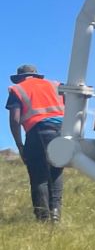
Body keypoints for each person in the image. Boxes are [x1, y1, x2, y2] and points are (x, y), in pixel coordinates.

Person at [7, 64, 65, 222]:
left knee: (39, 177)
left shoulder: (18, 89)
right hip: (61, 131)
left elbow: (14, 119)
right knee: (56, 171)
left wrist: (20, 145)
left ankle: (43, 219)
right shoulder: (55, 85)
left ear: (20, 77)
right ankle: (55, 215)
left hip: (38, 132)